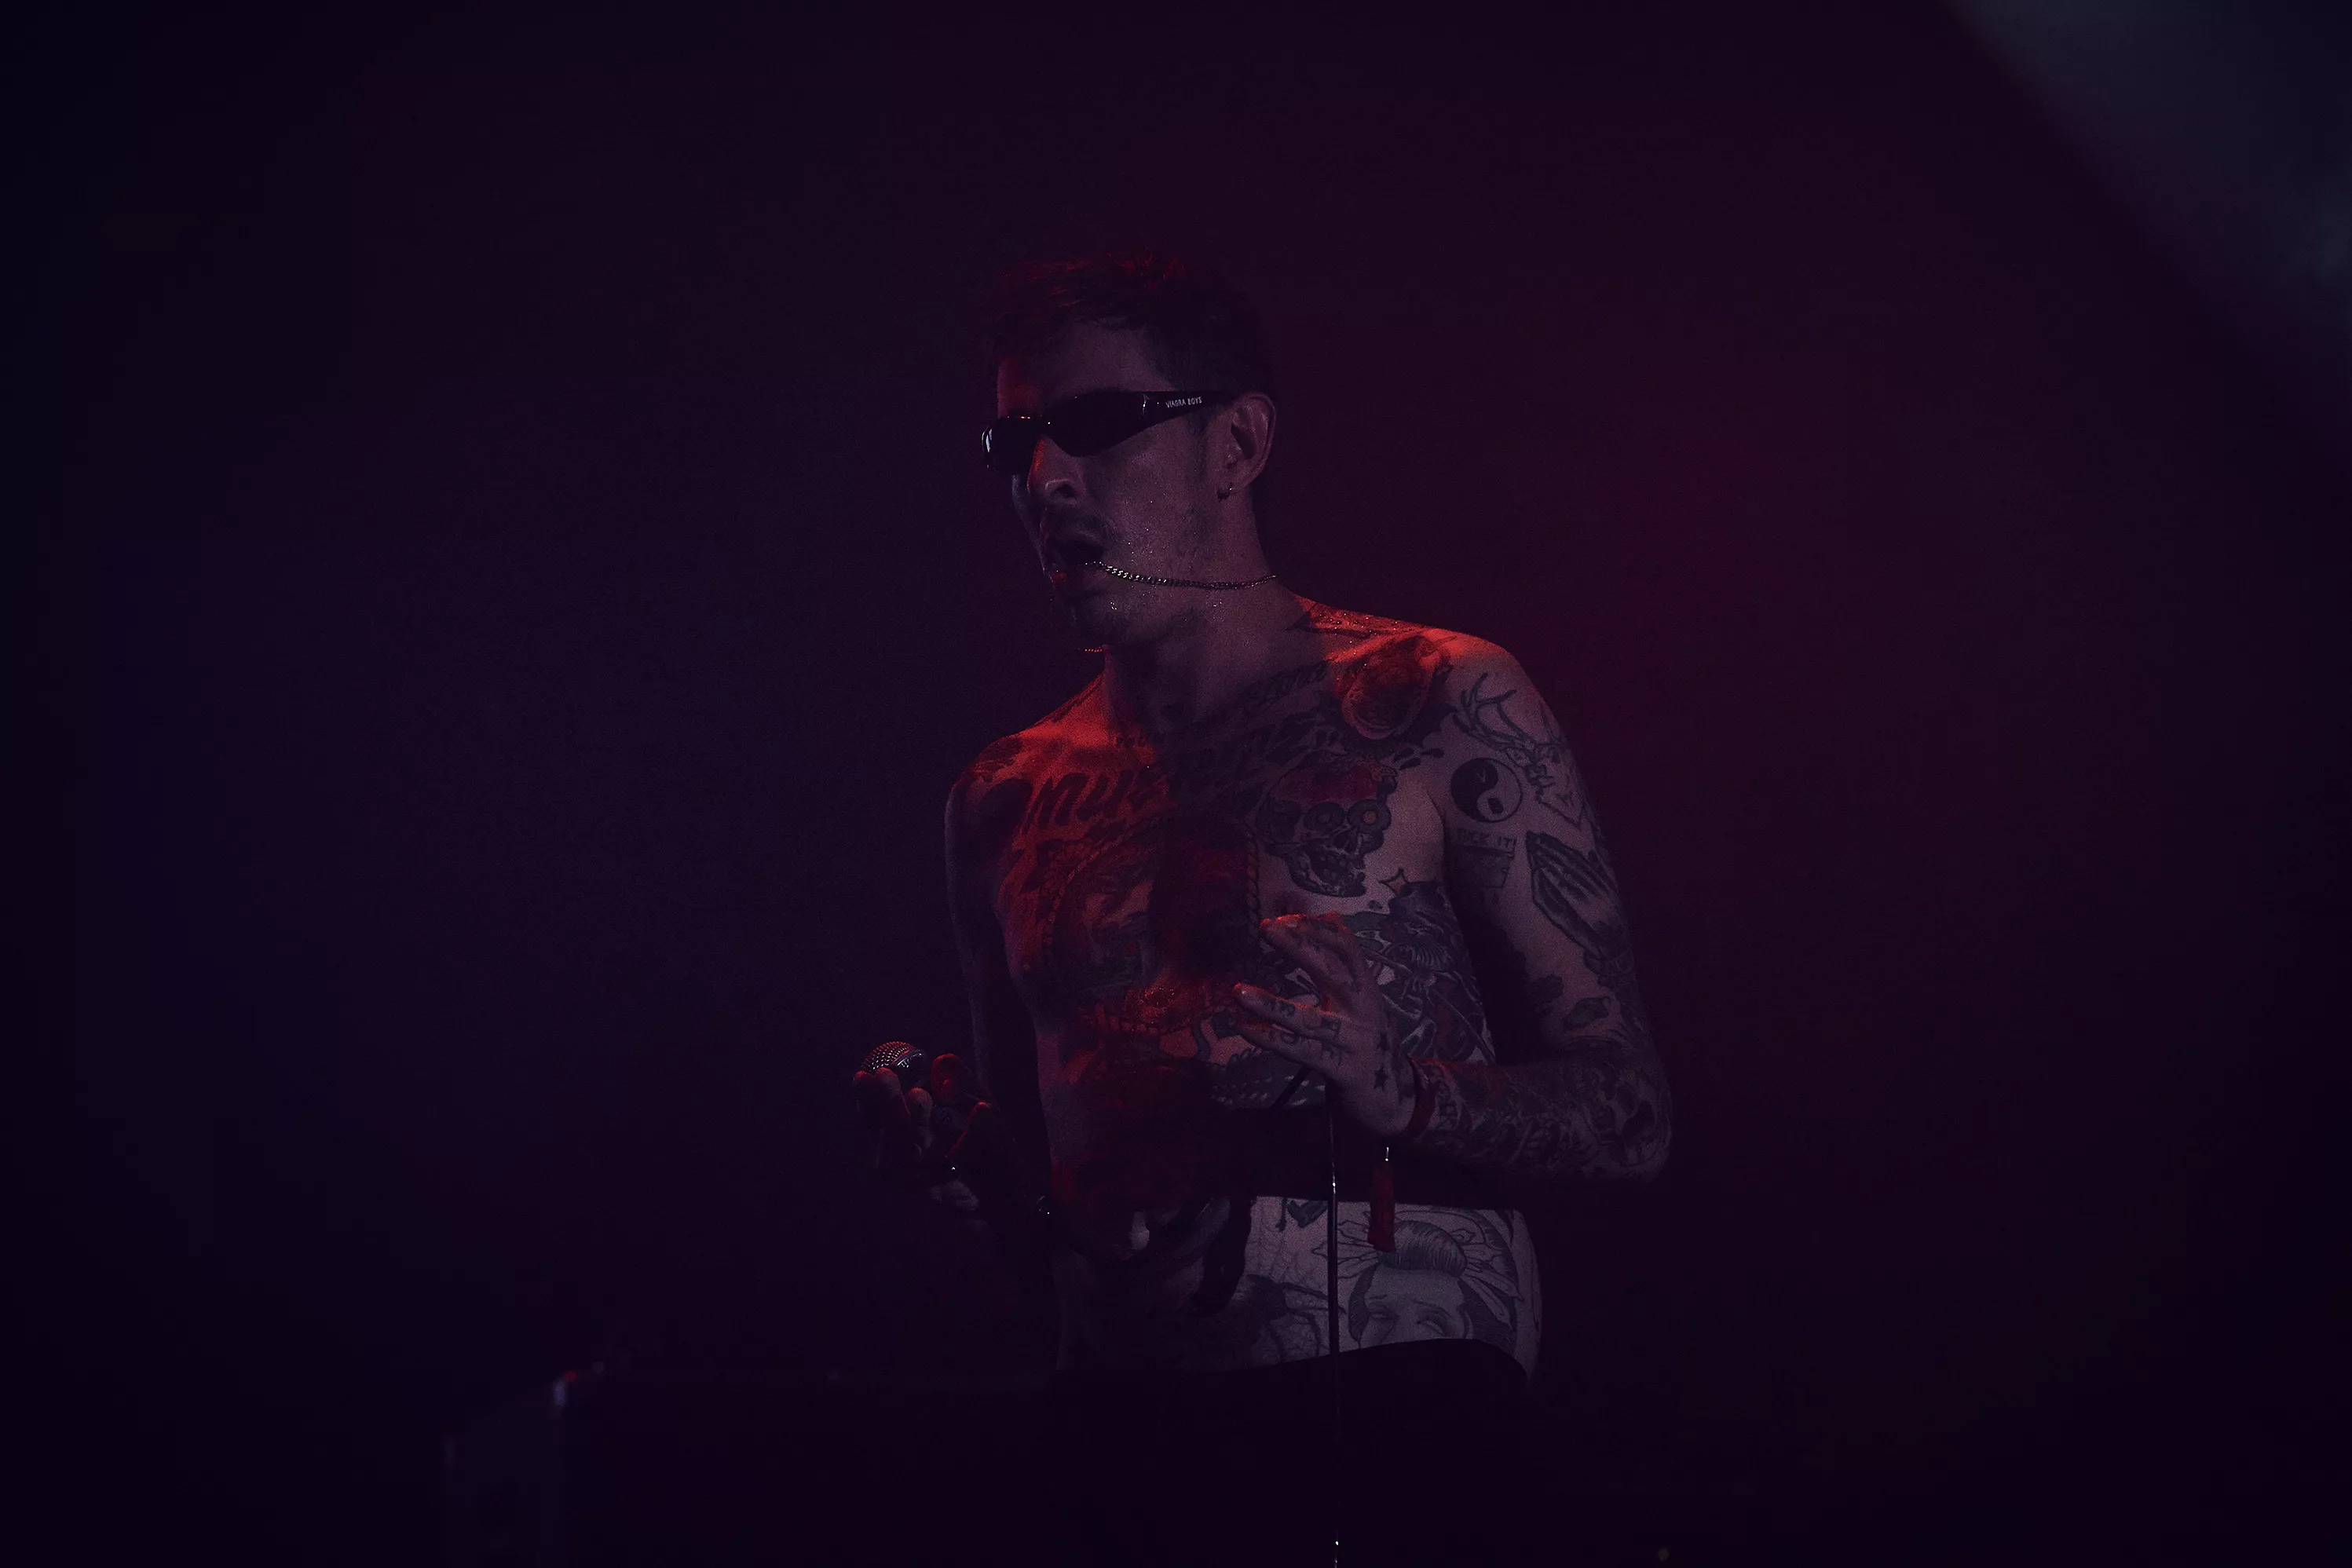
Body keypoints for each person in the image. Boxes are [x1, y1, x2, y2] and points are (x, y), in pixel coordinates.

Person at [854, 252, 1670, 1566]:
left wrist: (1403, 1094)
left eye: (1098, 424)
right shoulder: (1000, 798)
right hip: (1118, 1444)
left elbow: (1627, 1115)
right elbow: (1045, 1226)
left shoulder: (1434, 696)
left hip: (1399, 1415)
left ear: (1236, 442)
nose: (1044, 478)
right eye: (1015, 442)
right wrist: (972, 1174)